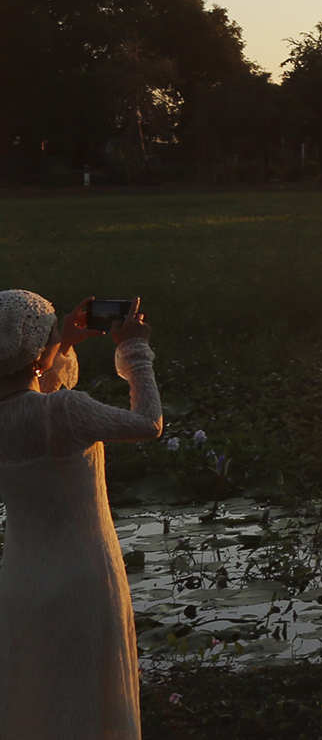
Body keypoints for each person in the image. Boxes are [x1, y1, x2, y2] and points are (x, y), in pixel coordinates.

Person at [0, 291, 159, 740]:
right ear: (36, 349)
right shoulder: (65, 411)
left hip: (20, 586)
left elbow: (28, 399)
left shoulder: (34, 412)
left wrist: (62, 340)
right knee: (89, 701)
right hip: (84, 582)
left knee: (36, 701)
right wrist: (134, 351)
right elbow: (147, 423)